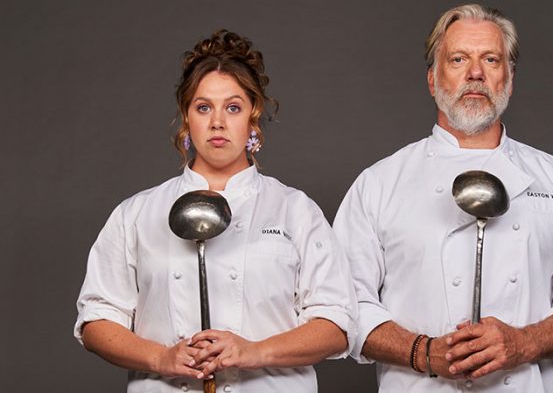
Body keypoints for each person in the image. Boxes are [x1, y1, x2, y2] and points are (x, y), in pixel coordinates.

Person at [333, 4, 553, 392]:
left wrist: (524, 342)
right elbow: (344, 302)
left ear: (509, 79)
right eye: (459, 59)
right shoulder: (380, 183)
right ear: (433, 79)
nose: (476, 74)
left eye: (491, 60)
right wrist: (423, 351)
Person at [74, 30, 356, 393]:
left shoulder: (294, 210)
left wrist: (253, 351)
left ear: (253, 120)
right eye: (203, 107)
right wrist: (161, 358)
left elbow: (336, 324)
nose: (217, 122)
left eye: (233, 107)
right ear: (186, 118)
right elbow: (97, 319)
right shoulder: (137, 213)